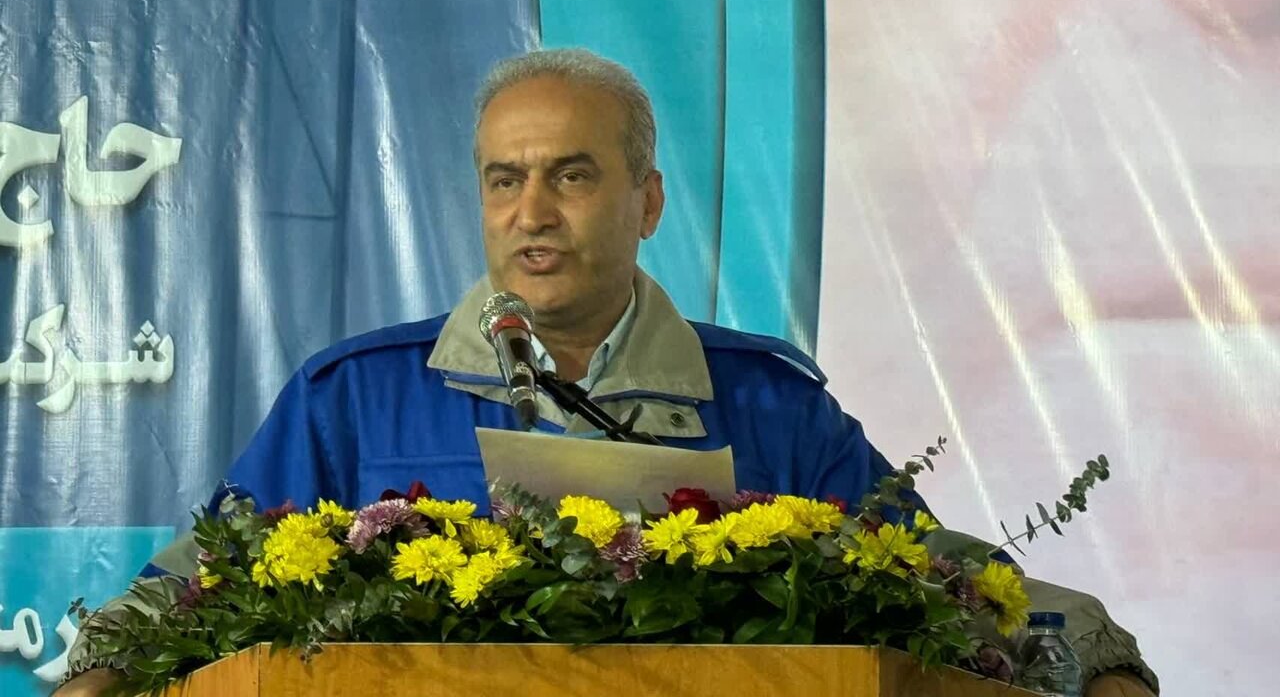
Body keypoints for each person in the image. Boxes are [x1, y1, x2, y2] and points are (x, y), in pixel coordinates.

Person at [58, 49, 1157, 695]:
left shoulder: (768, 408)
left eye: (572, 176)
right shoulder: (353, 402)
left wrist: (1086, 656)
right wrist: (108, 665)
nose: (531, 212)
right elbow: (196, 584)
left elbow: (933, 584)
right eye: (504, 180)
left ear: (647, 201)